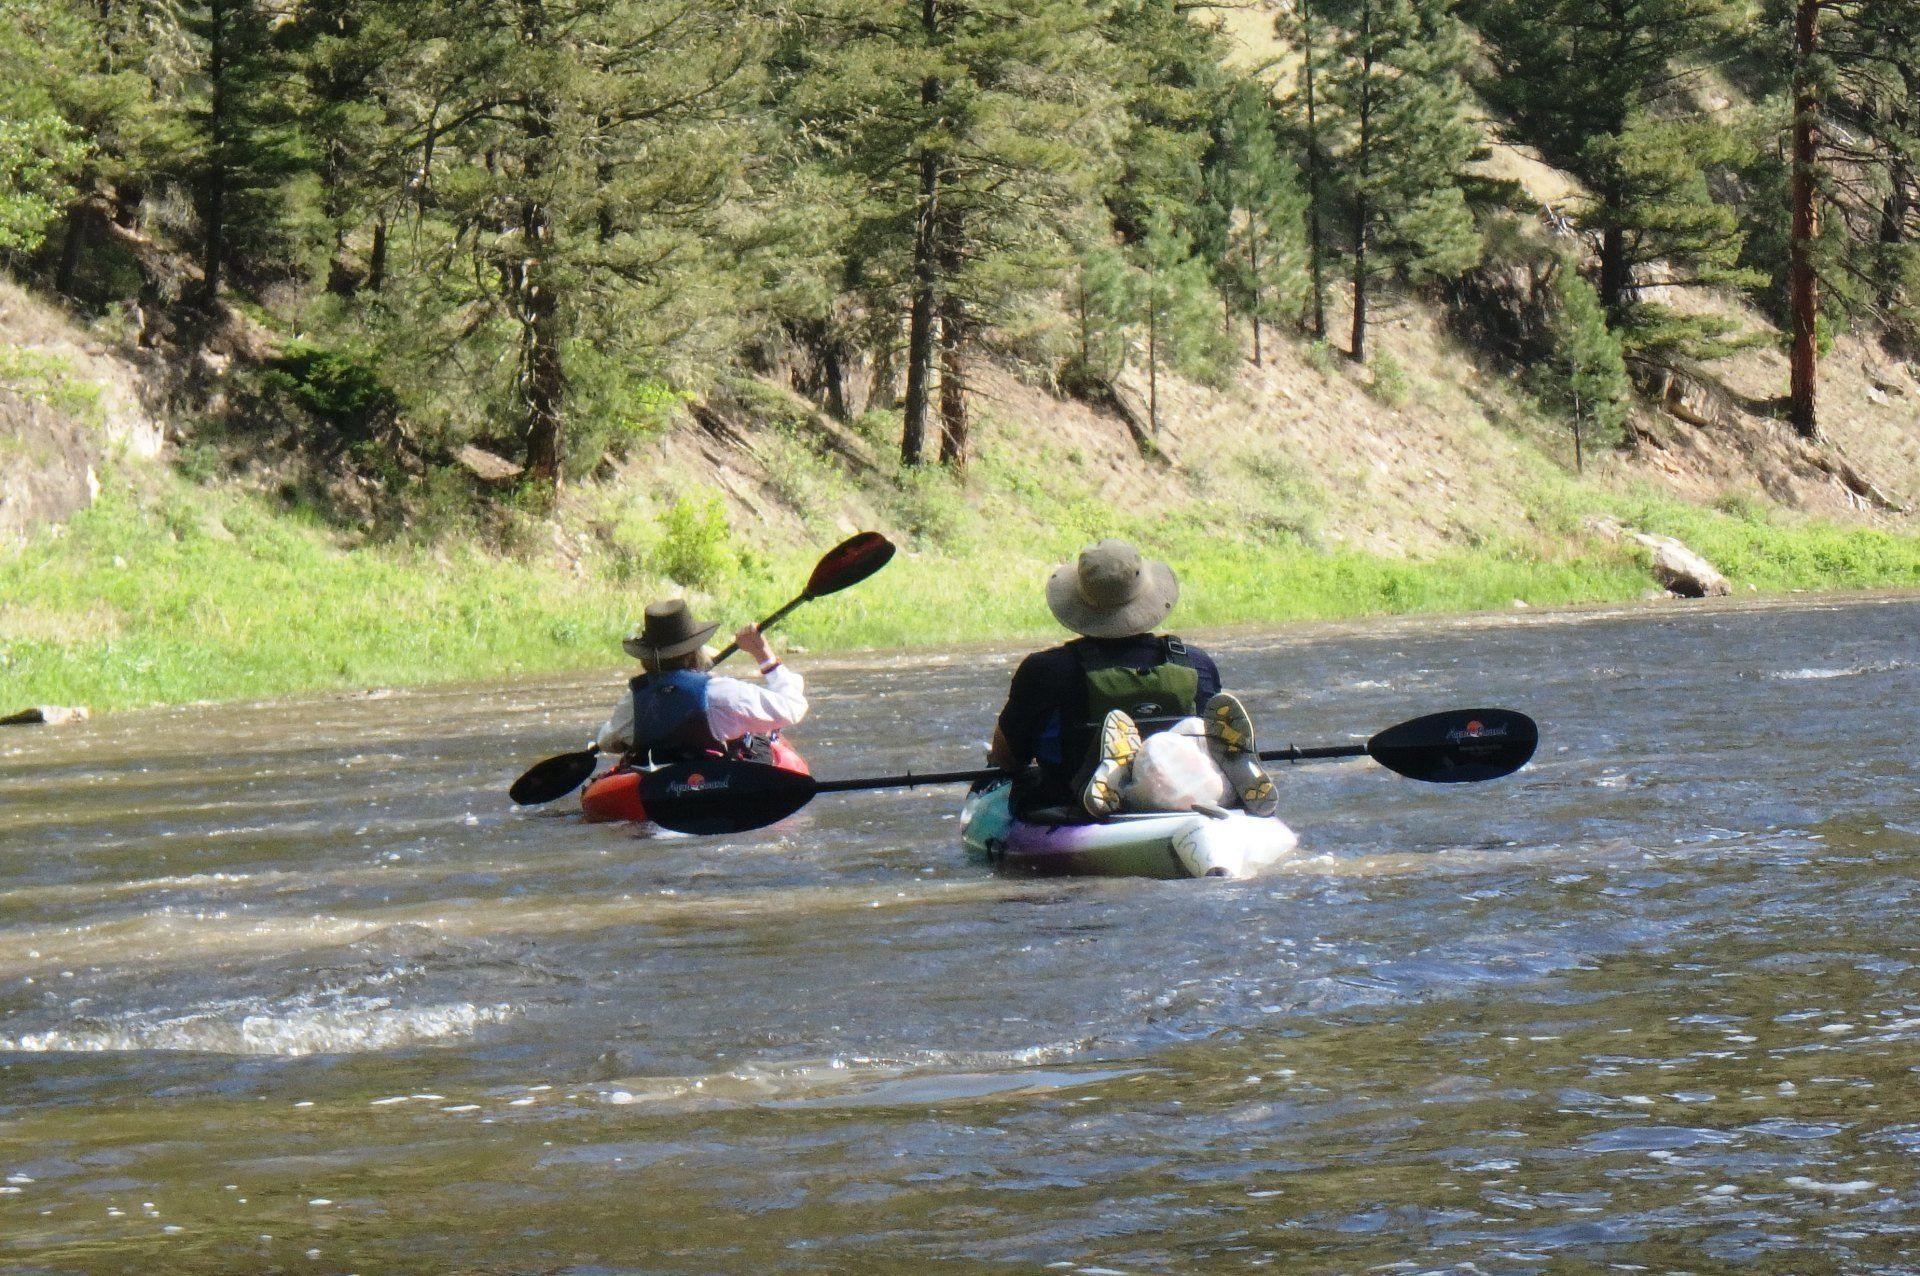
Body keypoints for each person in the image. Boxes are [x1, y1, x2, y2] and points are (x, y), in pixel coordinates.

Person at [987, 539, 1277, 820]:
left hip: (1074, 804)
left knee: (1022, 786)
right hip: (1191, 798)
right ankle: (1227, 778)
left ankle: (1116, 776)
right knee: (1197, 735)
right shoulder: (1195, 663)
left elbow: (1009, 759)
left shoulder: (1044, 670)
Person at [596, 598, 808, 765]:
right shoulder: (720, 691)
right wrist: (764, 655)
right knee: (761, 734)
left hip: (659, 783)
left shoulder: (634, 697)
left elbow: (607, 741)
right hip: (720, 777)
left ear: (646, 656)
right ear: (697, 650)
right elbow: (793, 708)